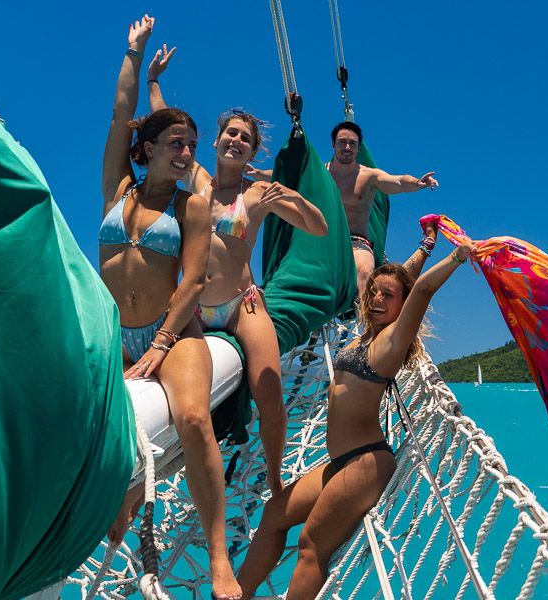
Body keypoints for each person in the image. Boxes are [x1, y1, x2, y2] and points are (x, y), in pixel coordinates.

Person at [236, 235, 474, 600]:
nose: (378, 300)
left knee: (311, 544)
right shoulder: (367, 335)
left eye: (387, 296)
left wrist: (457, 255)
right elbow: (405, 277)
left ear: (402, 305)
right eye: (374, 293)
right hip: (340, 461)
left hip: (366, 461)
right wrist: (425, 247)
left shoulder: (393, 339)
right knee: (274, 514)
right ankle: (239, 594)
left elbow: (420, 289)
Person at [99, 16, 240, 599]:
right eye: (177, 143)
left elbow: (194, 279)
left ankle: (217, 557)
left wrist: (160, 345)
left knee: (191, 418)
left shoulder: (194, 206)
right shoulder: (118, 188)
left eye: (191, 144)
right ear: (150, 147)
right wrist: (133, 54)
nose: (187, 152)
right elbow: (118, 116)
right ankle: (121, 498)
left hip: (171, 331)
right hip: (112, 330)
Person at [146, 46, 329, 496]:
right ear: (216, 140)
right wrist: (152, 80)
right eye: (230, 133)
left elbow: (318, 228)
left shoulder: (259, 193)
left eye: (244, 138)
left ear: (252, 149)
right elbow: (164, 121)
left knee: (269, 391)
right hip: (192, 305)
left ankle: (273, 475)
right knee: (170, 394)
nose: (236, 141)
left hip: (239, 304)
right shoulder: (198, 181)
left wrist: (294, 196)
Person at [250, 122, 439, 296]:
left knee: (365, 271)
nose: (347, 147)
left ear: (358, 147)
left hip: (357, 243)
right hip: (323, 240)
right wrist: (257, 174)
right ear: (333, 145)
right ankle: (312, 326)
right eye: (342, 142)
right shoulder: (319, 174)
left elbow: (397, 181)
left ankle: (367, 325)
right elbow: (285, 178)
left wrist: (417, 182)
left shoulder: (369, 176)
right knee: (301, 275)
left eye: (352, 143)